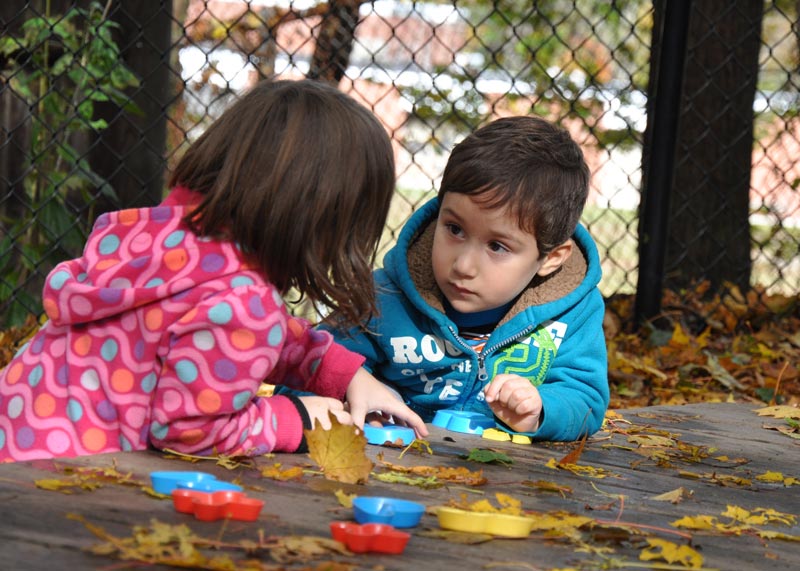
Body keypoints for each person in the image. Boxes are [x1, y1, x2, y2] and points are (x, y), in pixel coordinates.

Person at [0, 79, 427, 463]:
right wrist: (296, 417)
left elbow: (235, 333)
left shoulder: (166, 238)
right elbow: (188, 432)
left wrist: (344, 372)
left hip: (20, 443)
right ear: (328, 223)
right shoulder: (242, 301)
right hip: (62, 479)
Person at [323, 116, 609, 441]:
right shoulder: (385, 297)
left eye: (497, 246)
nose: (463, 265)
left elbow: (586, 398)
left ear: (552, 258)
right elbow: (312, 361)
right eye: (455, 229)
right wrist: (354, 385)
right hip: (389, 467)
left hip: (509, 478)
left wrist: (540, 410)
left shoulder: (571, 311)